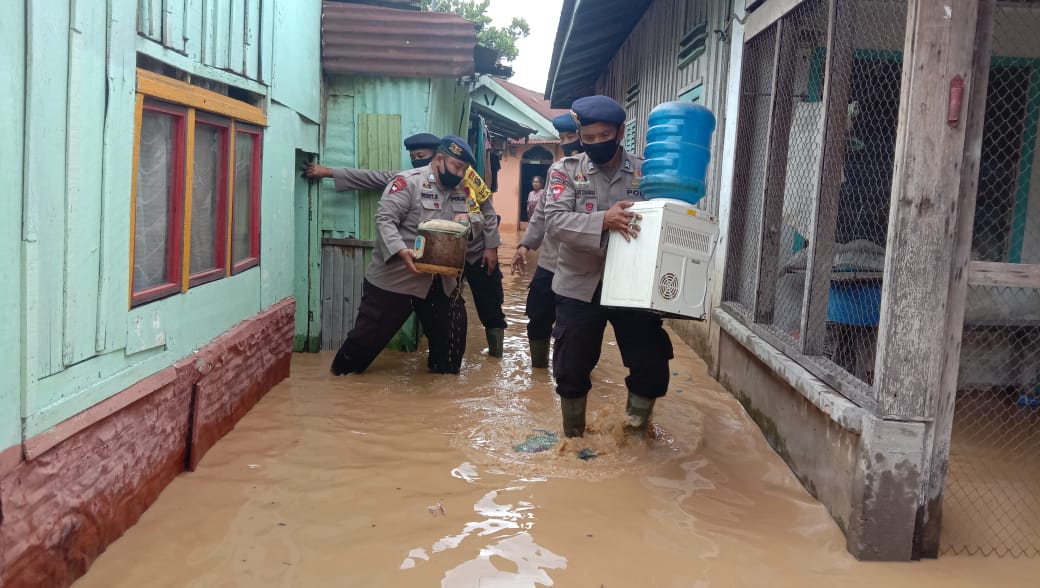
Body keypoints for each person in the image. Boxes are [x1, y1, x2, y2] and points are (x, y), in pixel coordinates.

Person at [305, 133, 507, 359]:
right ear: (439, 159)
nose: (459, 173)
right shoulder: (408, 181)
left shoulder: (462, 185)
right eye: (457, 167)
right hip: (398, 278)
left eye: (463, 169)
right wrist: (401, 250)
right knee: (362, 347)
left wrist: (473, 227)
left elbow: (484, 213)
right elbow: (384, 216)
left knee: (455, 342)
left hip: (447, 274)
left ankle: (468, 375)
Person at [544, 95, 673, 438]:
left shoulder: (648, 171)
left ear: (620, 131)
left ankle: (634, 436)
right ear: (580, 135)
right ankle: (573, 440)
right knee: (571, 368)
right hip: (579, 283)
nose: (598, 143)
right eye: (589, 138)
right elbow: (554, 222)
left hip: (634, 286)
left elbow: (669, 217)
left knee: (650, 365)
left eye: (605, 136)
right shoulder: (565, 171)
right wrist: (604, 220)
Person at [511, 113, 584, 369]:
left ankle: (573, 370)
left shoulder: (598, 172)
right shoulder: (557, 170)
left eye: (571, 137)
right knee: (538, 313)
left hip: (583, 264)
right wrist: (525, 245)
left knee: (577, 326)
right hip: (551, 260)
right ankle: (539, 374)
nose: (567, 143)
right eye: (562, 138)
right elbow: (542, 212)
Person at [303, 133, 442, 188]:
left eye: (421, 156)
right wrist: (328, 172)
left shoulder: (452, 181)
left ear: (437, 156)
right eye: (413, 158)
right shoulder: (409, 178)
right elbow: (372, 177)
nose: (416, 161)